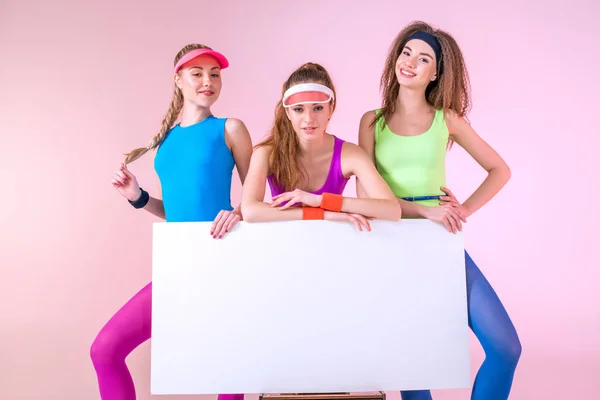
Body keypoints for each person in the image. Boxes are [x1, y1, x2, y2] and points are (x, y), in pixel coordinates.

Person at [357, 21, 522, 400]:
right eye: (406, 52)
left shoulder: (446, 121)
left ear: (436, 73)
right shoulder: (372, 122)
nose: (410, 62)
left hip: (440, 242)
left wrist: (462, 209)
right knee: (416, 364)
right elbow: (369, 199)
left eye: (423, 58)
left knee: (505, 347)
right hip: (392, 244)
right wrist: (424, 212)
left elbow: (500, 170)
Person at [90, 44, 253, 400]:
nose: (208, 81)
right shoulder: (165, 141)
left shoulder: (231, 129)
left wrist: (238, 212)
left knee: (228, 369)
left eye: (215, 73)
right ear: (178, 80)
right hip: (177, 264)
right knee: (105, 349)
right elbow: (179, 210)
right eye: (198, 73)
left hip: (221, 259)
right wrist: (137, 195)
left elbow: (256, 200)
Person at [241, 62, 401, 229]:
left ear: (331, 109)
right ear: (287, 112)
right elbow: (250, 211)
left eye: (317, 108)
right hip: (283, 246)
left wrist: (320, 200)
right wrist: (321, 213)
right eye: (298, 109)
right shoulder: (266, 153)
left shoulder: (350, 154)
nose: (309, 119)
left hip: (331, 246)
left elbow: (391, 210)